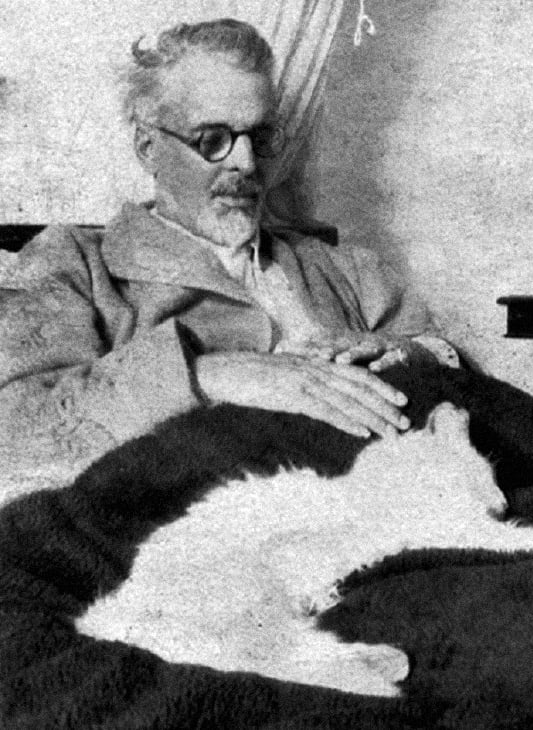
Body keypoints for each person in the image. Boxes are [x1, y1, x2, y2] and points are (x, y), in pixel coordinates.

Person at [0, 18, 458, 469]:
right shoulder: (75, 263)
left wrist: (404, 352)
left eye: (259, 138)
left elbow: (444, 356)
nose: (247, 163)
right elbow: (13, 422)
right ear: (147, 148)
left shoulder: (344, 268)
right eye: (213, 139)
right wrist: (208, 374)